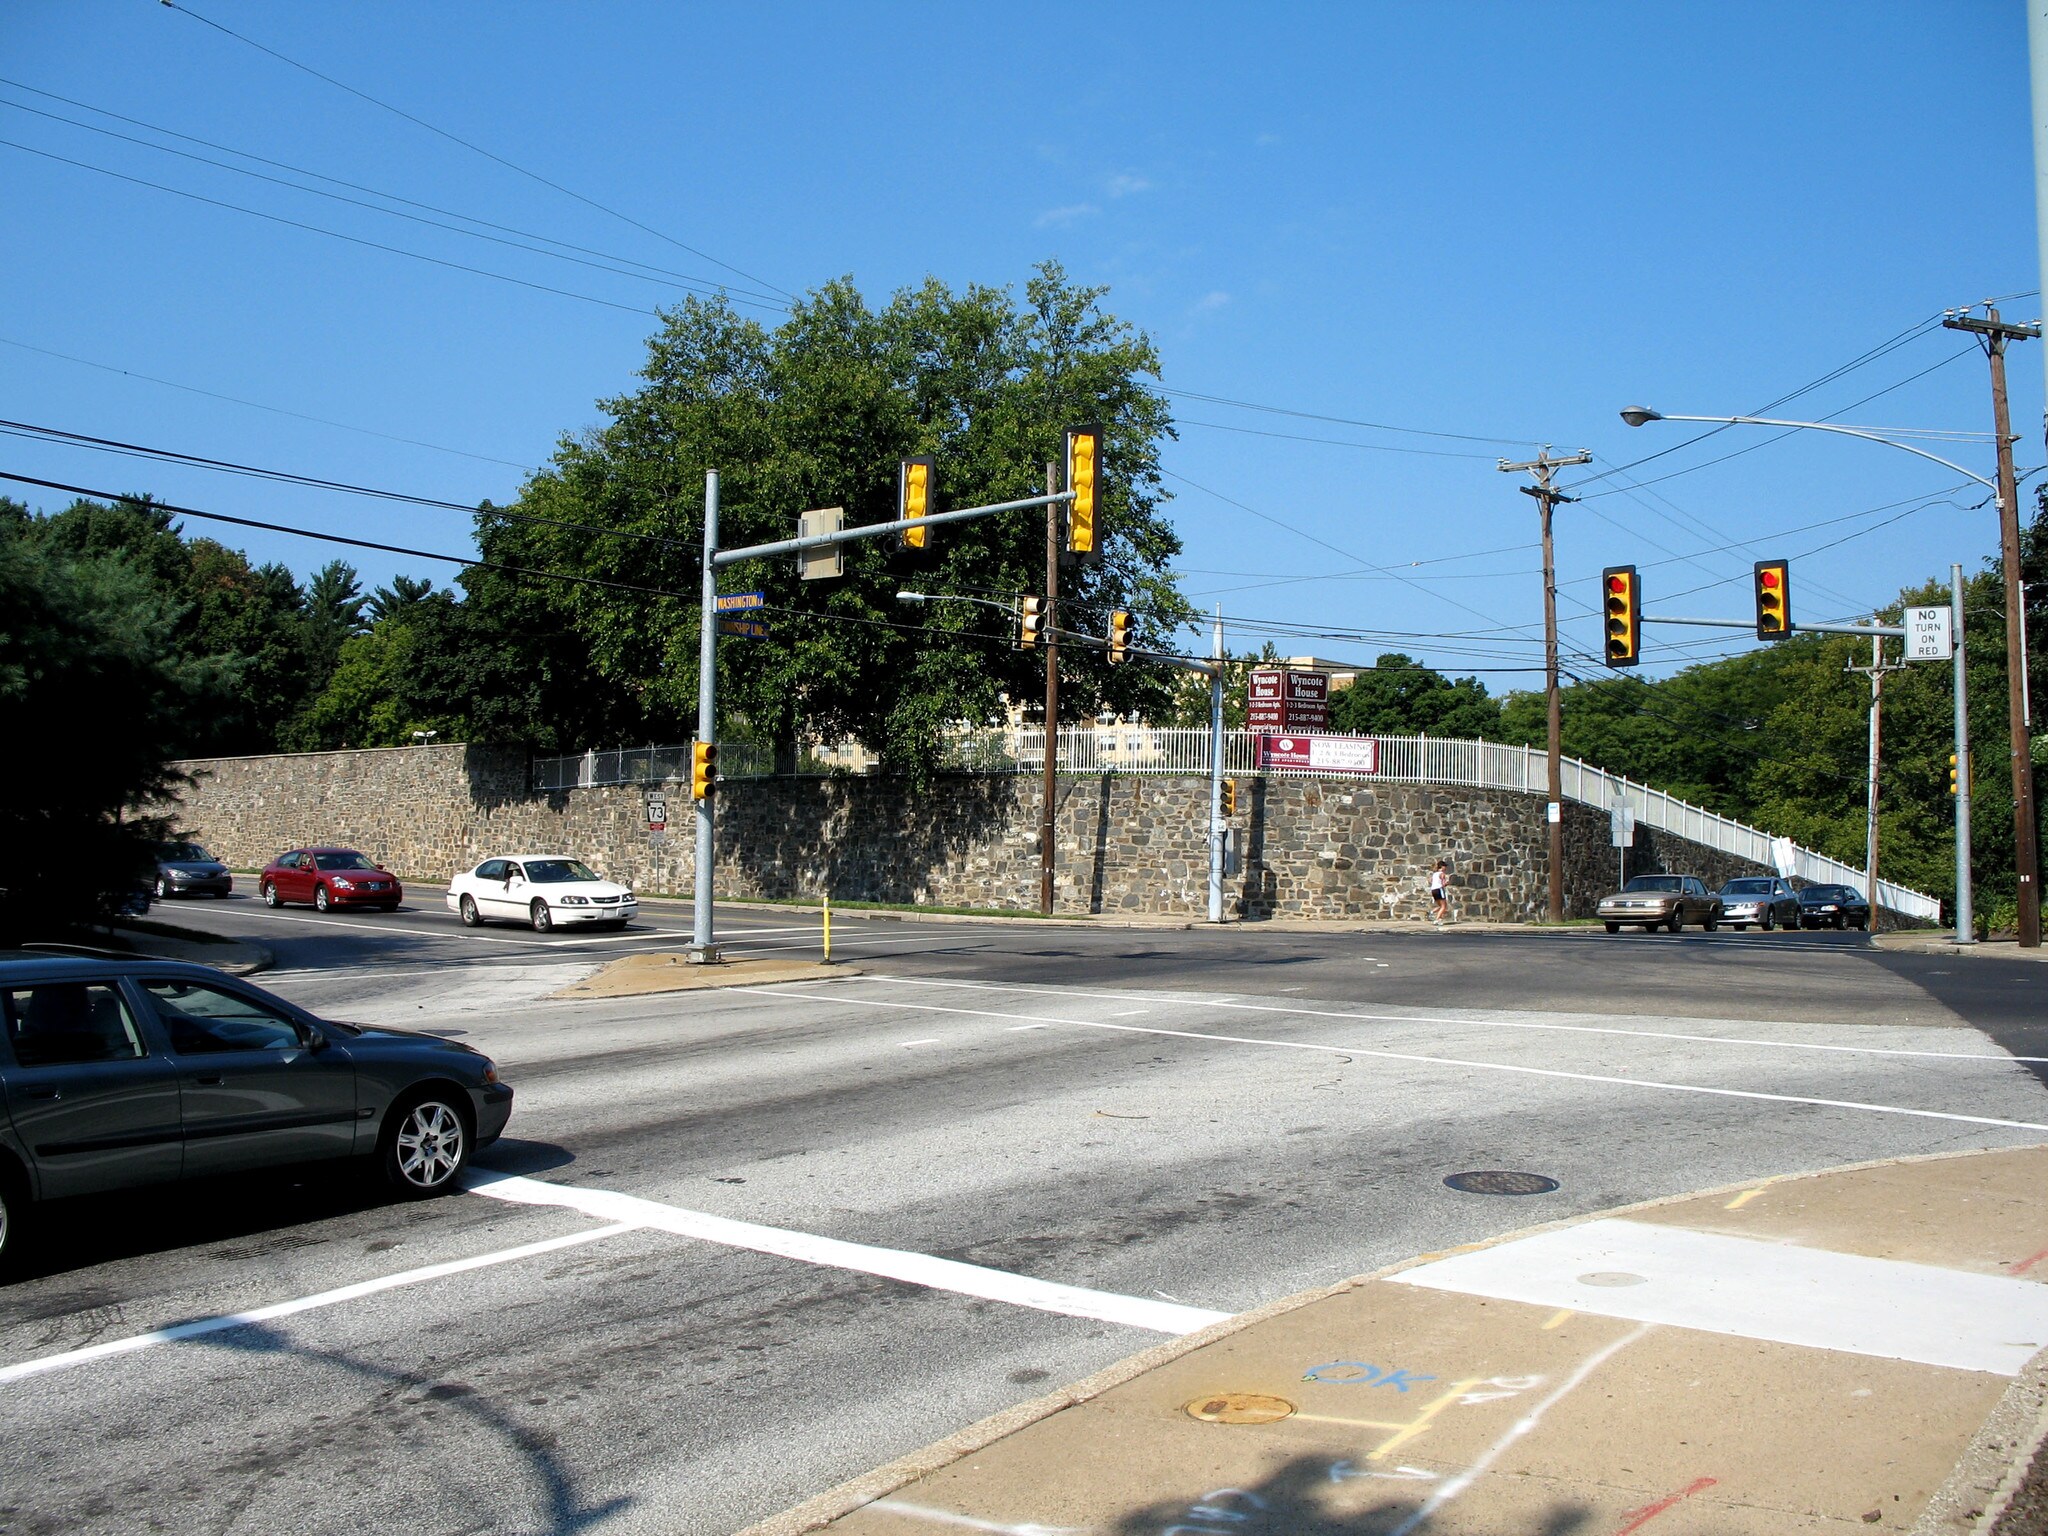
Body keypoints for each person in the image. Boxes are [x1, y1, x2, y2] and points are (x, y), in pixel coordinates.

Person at [1428, 860, 1451, 926]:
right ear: (1442, 867)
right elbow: (1443, 884)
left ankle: (1432, 912)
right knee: (1444, 906)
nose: (1445, 868)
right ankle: (1437, 919)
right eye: (1445, 866)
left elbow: (1431, 881)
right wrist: (1447, 883)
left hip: (1433, 890)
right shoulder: (1442, 874)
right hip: (1439, 889)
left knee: (1440, 906)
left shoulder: (1434, 874)